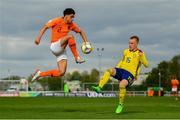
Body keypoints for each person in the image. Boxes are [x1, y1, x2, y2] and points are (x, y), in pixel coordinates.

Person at [92, 35, 149, 114]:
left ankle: (120, 104)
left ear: (136, 44)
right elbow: (122, 61)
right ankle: (99, 87)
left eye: (132, 43)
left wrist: (141, 56)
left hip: (130, 74)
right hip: (122, 70)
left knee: (121, 85)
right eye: (129, 43)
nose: (130, 45)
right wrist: (116, 68)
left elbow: (146, 65)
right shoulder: (126, 51)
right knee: (109, 71)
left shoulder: (140, 53)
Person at [32, 8, 89, 82]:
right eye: (71, 17)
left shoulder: (71, 25)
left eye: (73, 17)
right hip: (55, 46)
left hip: (62, 50)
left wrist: (86, 43)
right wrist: (38, 38)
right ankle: (77, 57)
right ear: (66, 16)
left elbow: (81, 32)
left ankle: (40, 74)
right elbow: (45, 27)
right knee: (70, 36)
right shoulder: (57, 21)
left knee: (61, 72)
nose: (73, 19)